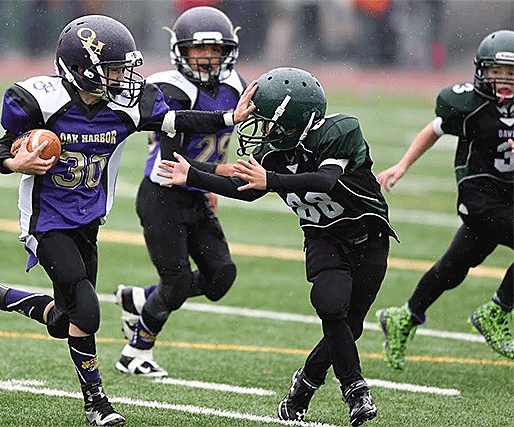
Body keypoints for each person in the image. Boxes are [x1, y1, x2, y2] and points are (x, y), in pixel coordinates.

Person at [0, 14, 255, 426]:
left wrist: (228, 118)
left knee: (65, 320)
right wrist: (14, 160)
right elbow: (1, 147)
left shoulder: (125, 105)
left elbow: (177, 120)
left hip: (88, 221)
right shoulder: (41, 101)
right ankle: (97, 404)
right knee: (88, 312)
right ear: (81, 69)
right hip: (46, 221)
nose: (124, 77)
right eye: (113, 69)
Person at [158, 67, 397, 427]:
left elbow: (327, 180)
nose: (262, 130)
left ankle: (304, 385)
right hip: (323, 236)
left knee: (351, 325)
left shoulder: (339, 131)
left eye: (269, 122)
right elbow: (250, 191)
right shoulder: (273, 154)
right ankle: (356, 390)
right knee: (330, 306)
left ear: (295, 119)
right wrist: (193, 176)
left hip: (368, 236)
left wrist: (273, 180)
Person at [113, 6, 245, 377]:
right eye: (198, 50)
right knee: (176, 282)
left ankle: (140, 299)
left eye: (216, 51)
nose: (207, 58)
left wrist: (213, 178)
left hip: (195, 192)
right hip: (162, 195)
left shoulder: (234, 85)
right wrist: (220, 173)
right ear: (180, 52)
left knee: (221, 277)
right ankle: (134, 352)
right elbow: (174, 164)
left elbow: (217, 143)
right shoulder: (170, 88)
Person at [375, 30, 514, 370]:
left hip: (508, 199)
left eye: (512, 73)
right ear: (482, 71)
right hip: (480, 198)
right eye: (497, 71)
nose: (504, 80)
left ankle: (404, 316)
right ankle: (496, 311)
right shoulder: (470, 107)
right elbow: (433, 130)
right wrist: (403, 164)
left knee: (452, 269)